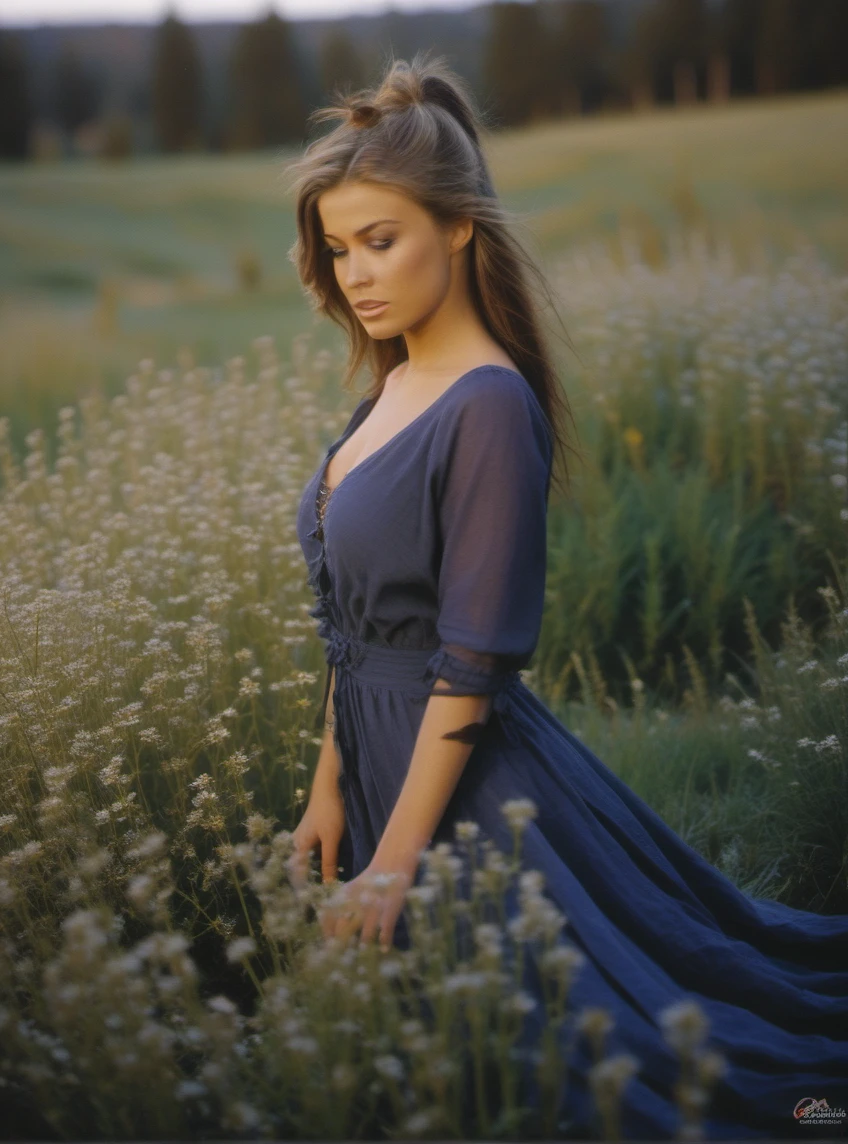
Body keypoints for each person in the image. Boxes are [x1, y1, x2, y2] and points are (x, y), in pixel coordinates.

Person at [284, 51, 848, 1140]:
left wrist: (395, 864)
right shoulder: (392, 382)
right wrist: (330, 786)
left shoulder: (488, 403)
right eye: (339, 247)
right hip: (381, 766)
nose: (355, 272)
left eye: (381, 239)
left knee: (604, 1059)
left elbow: (473, 657)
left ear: (457, 227)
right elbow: (352, 633)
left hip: (467, 783)